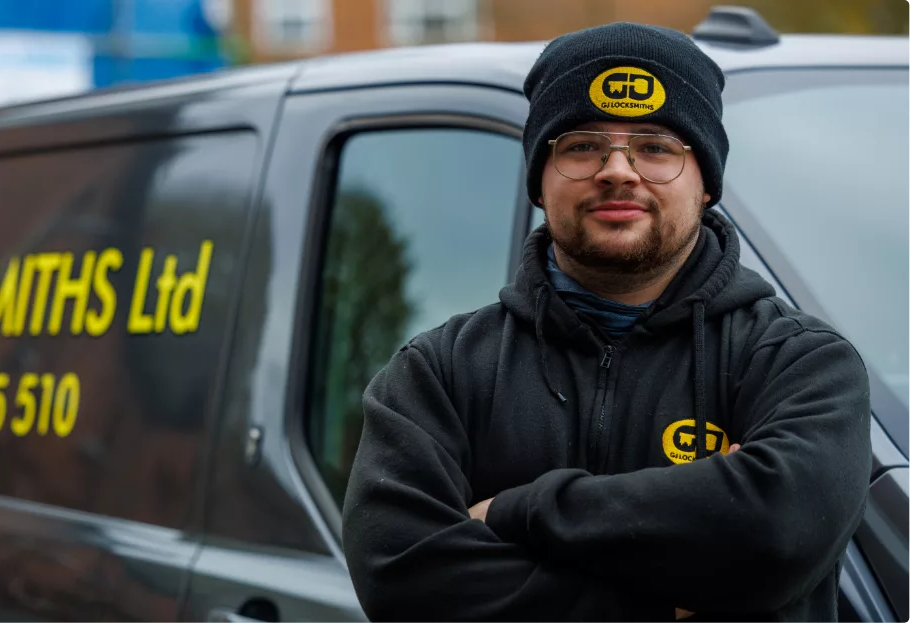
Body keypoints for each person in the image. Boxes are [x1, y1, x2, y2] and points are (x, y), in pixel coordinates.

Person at [339, 21, 871, 623]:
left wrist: (519, 512)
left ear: (707, 185)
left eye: (656, 147)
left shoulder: (798, 362)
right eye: (582, 146)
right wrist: (661, 598)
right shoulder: (441, 372)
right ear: (541, 180)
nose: (618, 170)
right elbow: (401, 575)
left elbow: (779, 529)